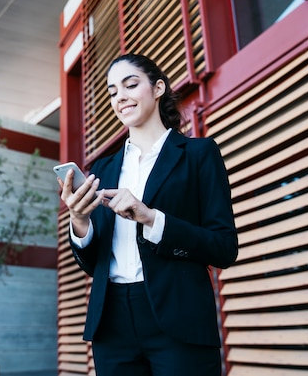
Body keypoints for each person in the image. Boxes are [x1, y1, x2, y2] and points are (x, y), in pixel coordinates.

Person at [57, 53, 238, 376]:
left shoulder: (199, 155)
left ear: (157, 89)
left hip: (179, 317)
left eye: (130, 85)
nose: (120, 97)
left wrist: (151, 218)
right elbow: (92, 263)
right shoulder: (102, 169)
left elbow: (224, 247)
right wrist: (80, 221)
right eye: (113, 92)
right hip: (111, 322)